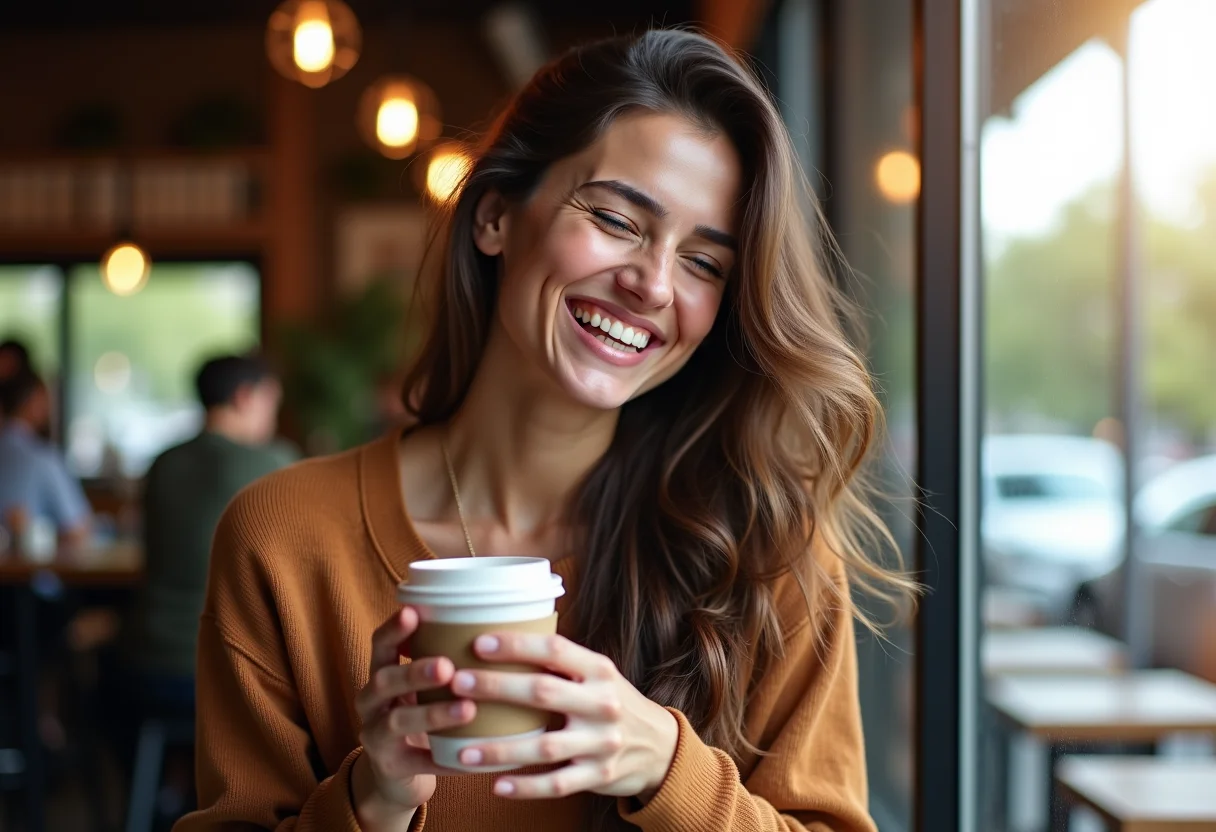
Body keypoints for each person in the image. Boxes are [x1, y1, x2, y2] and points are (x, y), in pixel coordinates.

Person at [177, 30, 916, 832]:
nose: (652, 284)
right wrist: (372, 799)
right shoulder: (283, 540)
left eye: (706, 264)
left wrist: (667, 768)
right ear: (495, 215)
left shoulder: (767, 554)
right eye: (614, 218)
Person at [122, 354, 295, 702]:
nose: (273, 417)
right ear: (246, 397)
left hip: (149, 653)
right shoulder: (272, 464)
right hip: (229, 662)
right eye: (271, 403)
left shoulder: (162, 462)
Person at [0, 369, 91, 545]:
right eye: (46, 399)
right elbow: (77, 529)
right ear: (34, 401)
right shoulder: (44, 458)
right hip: (35, 570)